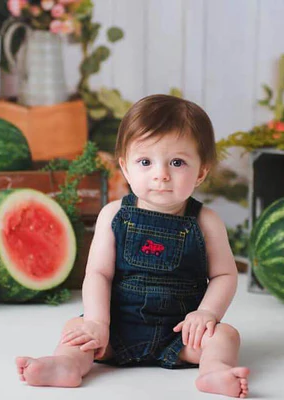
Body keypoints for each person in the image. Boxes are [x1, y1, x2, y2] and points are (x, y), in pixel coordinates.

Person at [16, 94, 250, 398]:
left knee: (226, 336)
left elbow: (224, 276)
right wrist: (98, 322)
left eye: (177, 162)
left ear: (201, 172)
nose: (161, 174)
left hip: (181, 335)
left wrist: (206, 313)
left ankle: (214, 370)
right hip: (115, 330)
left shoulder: (207, 221)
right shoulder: (113, 215)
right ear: (126, 168)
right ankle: (66, 365)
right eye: (145, 161)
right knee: (77, 328)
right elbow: (99, 274)